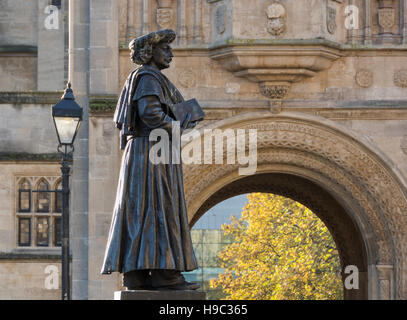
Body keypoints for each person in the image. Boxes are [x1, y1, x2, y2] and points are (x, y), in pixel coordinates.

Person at [101, 29, 200, 290]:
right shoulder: (148, 77)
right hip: (151, 152)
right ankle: (164, 274)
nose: (171, 53)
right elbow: (151, 114)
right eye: (165, 48)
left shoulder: (146, 78)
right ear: (150, 51)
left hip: (146, 152)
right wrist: (179, 125)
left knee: (140, 210)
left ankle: (136, 273)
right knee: (159, 209)